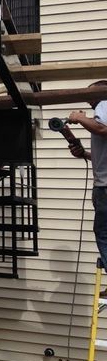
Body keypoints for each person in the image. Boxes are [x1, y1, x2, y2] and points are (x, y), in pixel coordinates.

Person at [68, 80, 107, 270]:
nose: (86, 99)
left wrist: (79, 118)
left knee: (103, 232)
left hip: (105, 187)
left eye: (88, 94)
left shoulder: (104, 104)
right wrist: (84, 154)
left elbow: (102, 129)